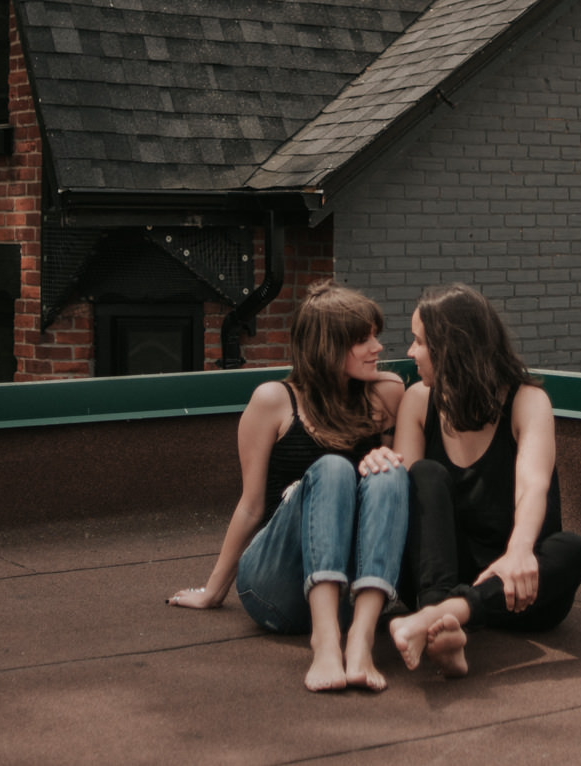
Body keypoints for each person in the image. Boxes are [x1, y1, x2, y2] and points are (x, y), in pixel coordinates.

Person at [168, 281, 409, 692]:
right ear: (326, 345)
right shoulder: (272, 401)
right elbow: (251, 506)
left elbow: (390, 504)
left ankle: (361, 640)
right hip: (275, 587)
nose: (377, 348)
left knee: (390, 473)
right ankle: (325, 642)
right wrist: (213, 591)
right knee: (333, 469)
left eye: (375, 336)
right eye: (362, 339)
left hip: (354, 594)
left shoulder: (385, 395)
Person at [388, 283, 581, 679]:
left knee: (573, 549)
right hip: (445, 575)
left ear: (451, 349)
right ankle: (441, 616)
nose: (410, 353)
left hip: (521, 590)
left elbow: (534, 485)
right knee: (422, 475)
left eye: (419, 342)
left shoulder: (528, 401)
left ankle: (443, 619)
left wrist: (518, 552)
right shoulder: (417, 400)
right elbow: (410, 508)